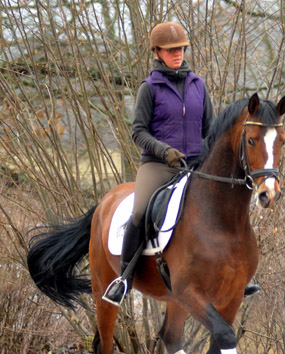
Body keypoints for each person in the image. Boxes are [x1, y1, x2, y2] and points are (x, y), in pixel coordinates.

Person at [102, 22, 259, 305]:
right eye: (172, 50)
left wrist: (208, 157)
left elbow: (211, 128)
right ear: (158, 52)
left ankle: (241, 272)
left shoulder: (198, 85)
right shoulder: (149, 88)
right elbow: (138, 131)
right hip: (159, 165)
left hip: (196, 163)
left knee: (227, 205)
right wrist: (165, 152)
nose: (178, 54)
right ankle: (123, 278)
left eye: (181, 49)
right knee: (140, 211)